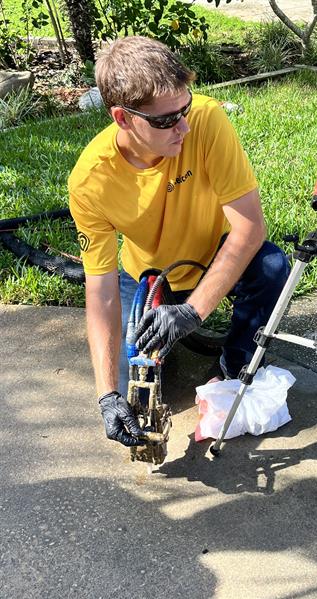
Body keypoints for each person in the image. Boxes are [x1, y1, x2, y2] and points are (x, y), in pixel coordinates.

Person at [68, 36, 289, 448]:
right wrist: (105, 396)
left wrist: (193, 311)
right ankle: (149, 364)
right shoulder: (90, 180)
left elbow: (249, 229)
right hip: (148, 276)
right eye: (167, 120)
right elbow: (100, 291)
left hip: (213, 254)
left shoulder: (207, 121)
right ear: (123, 117)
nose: (184, 126)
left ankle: (236, 364)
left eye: (184, 109)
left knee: (273, 266)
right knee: (133, 390)